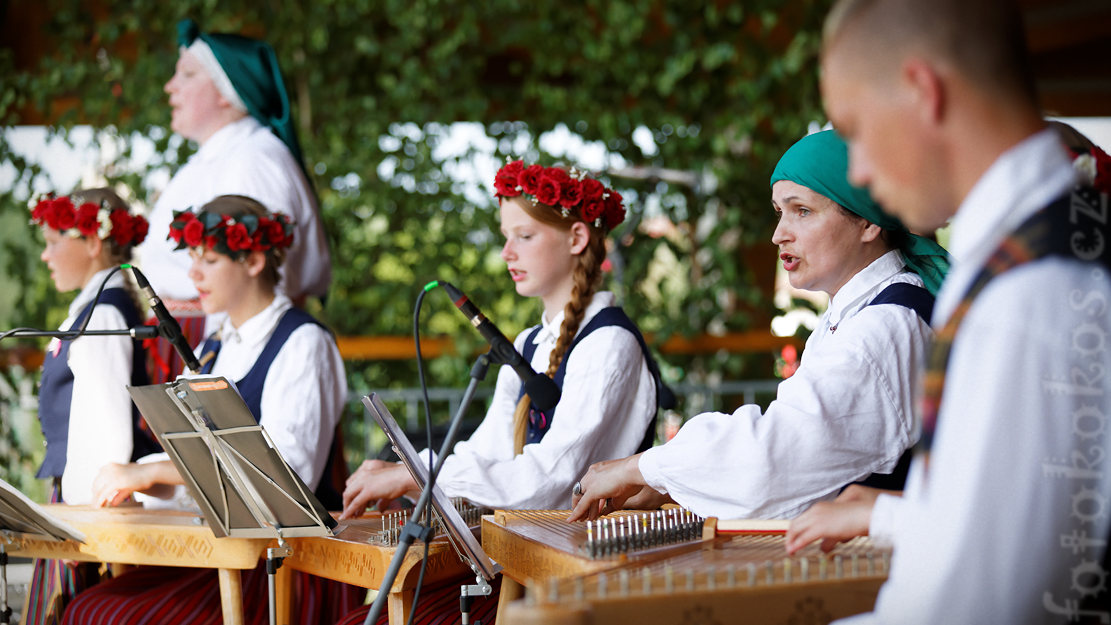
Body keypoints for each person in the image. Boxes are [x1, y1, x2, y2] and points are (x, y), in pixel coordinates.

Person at [790, 0, 1111, 622]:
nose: (855, 169)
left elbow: (978, 605)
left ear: (921, 91)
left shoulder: (1029, 295)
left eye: (854, 130)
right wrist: (888, 513)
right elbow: (1025, 515)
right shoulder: (1049, 250)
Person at [334, 161, 664, 625]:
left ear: (576, 239)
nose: (507, 252)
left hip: (575, 577)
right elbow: (485, 453)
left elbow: (551, 481)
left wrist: (420, 474)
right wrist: (409, 476)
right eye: (506, 236)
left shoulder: (609, 342)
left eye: (524, 237)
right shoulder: (528, 344)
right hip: (517, 565)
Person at [569, 129, 949, 522]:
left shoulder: (886, 325)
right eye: (779, 212)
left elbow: (774, 459)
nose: (778, 234)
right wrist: (674, 486)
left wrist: (643, 467)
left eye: (802, 210)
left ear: (868, 223)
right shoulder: (856, 313)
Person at [61, 195, 357, 625]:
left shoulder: (303, 342)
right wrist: (134, 483)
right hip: (220, 554)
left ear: (254, 260)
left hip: (283, 567)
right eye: (193, 258)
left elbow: (285, 480)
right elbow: (190, 462)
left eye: (211, 259)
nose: (193, 273)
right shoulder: (213, 346)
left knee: (105, 614)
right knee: (88, 605)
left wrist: (149, 473)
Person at [140, 18, 331, 382]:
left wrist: (213, 371)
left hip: (222, 350)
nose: (170, 87)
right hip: (194, 341)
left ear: (227, 92)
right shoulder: (217, 158)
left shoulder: (253, 160)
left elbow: (256, 286)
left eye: (188, 75)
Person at [24, 188, 159, 625]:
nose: (46, 255)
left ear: (93, 242)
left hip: (88, 503)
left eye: (52, 241)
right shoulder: (94, 307)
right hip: (77, 496)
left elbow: (107, 433)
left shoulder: (103, 314)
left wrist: (78, 523)